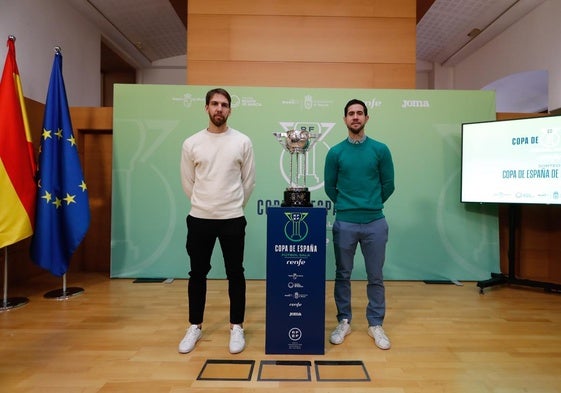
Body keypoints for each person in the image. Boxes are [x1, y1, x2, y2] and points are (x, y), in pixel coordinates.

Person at [178, 88, 256, 354]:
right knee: (197, 274)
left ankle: (236, 327)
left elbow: (248, 181)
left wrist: (232, 206)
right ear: (206, 108)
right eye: (214, 104)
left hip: (233, 218)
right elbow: (188, 182)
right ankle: (194, 326)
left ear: (230, 110)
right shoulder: (191, 143)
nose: (219, 109)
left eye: (224, 104)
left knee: (236, 273)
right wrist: (205, 204)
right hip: (199, 218)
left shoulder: (242, 141)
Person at [323, 98, 395, 350]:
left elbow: (389, 185)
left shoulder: (380, 150)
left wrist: (371, 204)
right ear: (345, 120)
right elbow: (330, 187)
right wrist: (347, 206)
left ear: (366, 118)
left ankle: (375, 323)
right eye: (351, 114)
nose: (355, 117)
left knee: (375, 276)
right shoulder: (335, 153)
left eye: (359, 113)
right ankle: (344, 320)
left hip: (375, 221)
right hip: (345, 222)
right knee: (342, 275)